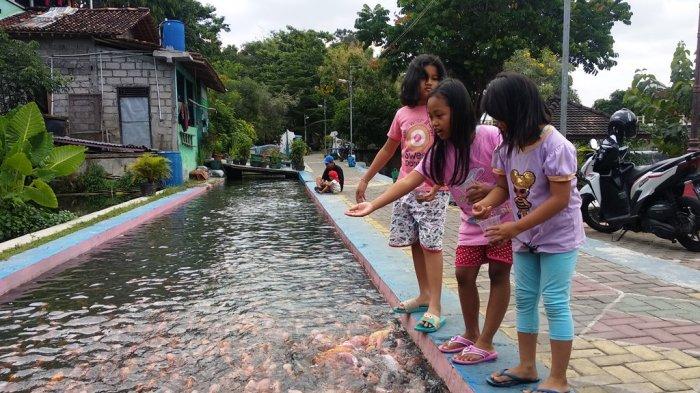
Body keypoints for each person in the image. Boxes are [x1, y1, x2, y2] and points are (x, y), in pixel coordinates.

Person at [473, 72, 585, 393]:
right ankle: (526, 365)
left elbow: (561, 199)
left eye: (500, 117)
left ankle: (559, 379)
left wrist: (515, 226)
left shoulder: (556, 146)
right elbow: (501, 188)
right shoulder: (507, 147)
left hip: (557, 237)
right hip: (525, 236)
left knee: (554, 301)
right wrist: (487, 204)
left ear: (518, 110)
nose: (497, 124)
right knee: (524, 298)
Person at [353, 54, 448, 333]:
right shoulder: (403, 114)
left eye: (435, 78)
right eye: (424, 78)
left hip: (433, 189)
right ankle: (424, 294)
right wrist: (365, 179)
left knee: (432, 244)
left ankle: (436, 306)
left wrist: (441, 186)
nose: (430, 84)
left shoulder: (441, 111)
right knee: (416, 242)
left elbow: (454, 152)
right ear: (413, 79)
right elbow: (388, 149)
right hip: (405, 187)